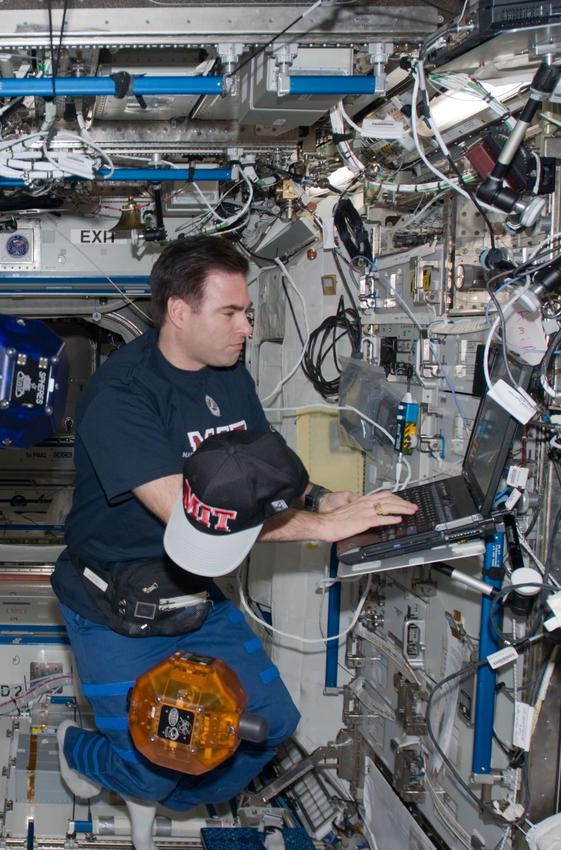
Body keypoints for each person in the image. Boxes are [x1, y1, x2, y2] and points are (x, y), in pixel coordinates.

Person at [50, 235, 416, 836]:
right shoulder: (121, 396)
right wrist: (323, 530)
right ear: (178, 312)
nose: (246, 326)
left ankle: (170, 786)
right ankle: (79, 749)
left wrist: (323, 497)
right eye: (231, 313)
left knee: (267, 728)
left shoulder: (230, 375)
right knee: (150, 766)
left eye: (246, 312)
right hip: (112, 606)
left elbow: (262, 470)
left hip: (194, 593)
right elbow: (190, 515)